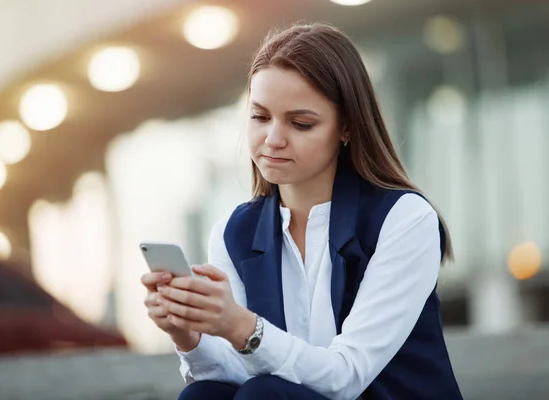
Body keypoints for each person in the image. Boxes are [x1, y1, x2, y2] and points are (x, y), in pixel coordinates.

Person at [141, 23, 463, 400]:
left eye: (301, 123)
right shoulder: (234, 233)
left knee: (265, 395)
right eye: (260, 117)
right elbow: (240, 369)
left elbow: (347, 376)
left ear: (346, 128)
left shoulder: (404, 219)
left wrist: (242, 325)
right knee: (203, 397)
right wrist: (189, 333)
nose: (273, 139)